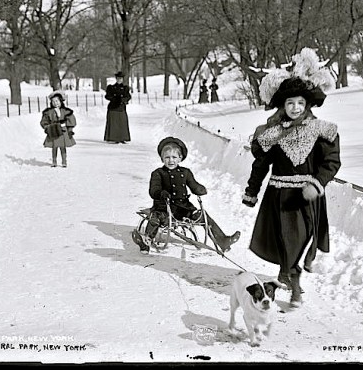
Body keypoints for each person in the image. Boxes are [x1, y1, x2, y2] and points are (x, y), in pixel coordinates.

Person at [242, 48, 341, 308]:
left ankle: (291, 268)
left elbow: (332, 161)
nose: (295, 108)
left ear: (307, 105)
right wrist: (252, 191)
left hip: (309, 196)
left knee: (304, 237)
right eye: (290, 103)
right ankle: (294, 284)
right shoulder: (272, 134)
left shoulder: (322, 131)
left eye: (300, 103)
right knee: (289, 239)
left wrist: (317, 183)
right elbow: (261, 164)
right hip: (280, 197)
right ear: (283, 106)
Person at [131, 136, 241, 255]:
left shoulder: (185, 172)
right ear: (162, 159)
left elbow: (193, 185)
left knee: (202, 215)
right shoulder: (158, 173)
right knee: (155, 218)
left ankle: (222, 240)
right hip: (164, 209)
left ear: (180, 158)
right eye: (167, 157)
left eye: (174, 157)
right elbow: (154, 190)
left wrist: (199, 189)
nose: (171, 160)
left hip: (184, 209)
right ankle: (145, 242)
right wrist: (160, 193)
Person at [40, 89, 77, 167]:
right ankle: (54, 161)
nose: (55, 103)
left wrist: (69, 129)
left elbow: (71, 121)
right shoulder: (49, 112)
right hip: (53, 131)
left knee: (62, 147)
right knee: (54, 147)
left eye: (57, 101)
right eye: (53, 102)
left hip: (63, 132)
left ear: (60, 101)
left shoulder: (66, 111)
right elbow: (44, 121)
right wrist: (47, 127)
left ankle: (64, 161)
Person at [104, 71, 131, 143]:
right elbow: (107, 96)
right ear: (116, 79)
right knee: (113, 124)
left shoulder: (125, 88)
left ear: (122, 79)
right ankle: (112, 138)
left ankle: (122, 138)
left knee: (122, 123)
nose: (119, 80)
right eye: (118, 78)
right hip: (113, 107)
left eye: (121, 78)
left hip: (121, 108)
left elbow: (128, 96)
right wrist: (114, 99)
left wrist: (123, 100)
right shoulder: (111, 87)